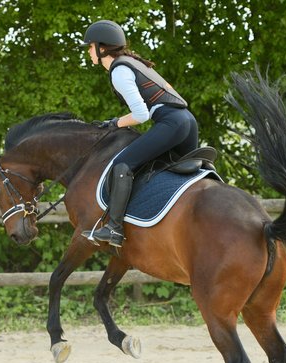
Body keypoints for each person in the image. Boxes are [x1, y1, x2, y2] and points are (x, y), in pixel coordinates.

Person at [81, 19, 199, 248]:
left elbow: (141, 114)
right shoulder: (134, 62)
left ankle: (114, 228)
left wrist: (115, 123)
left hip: (172, 123)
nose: (88, 51)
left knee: (122, 164)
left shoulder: (120, 70)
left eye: (90, 46)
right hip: (188, 122)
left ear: (101, 48)